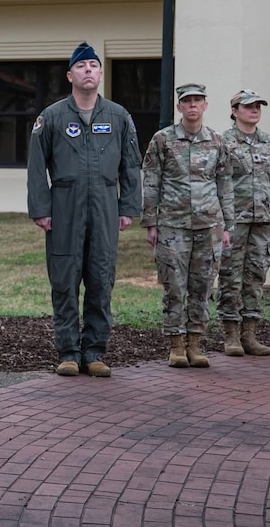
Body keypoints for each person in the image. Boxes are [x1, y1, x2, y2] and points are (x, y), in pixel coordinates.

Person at [27, 42, 142, 377]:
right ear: (70, 75)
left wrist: (128, 207)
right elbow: (37, 167)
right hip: (64, 207)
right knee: (64, 279)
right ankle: (67, 351)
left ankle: (94, 351)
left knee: (101, 278)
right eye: (81, 66)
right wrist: (41, 208)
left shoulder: (119, 117)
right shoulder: (51, 117)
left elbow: (130, 166)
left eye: (93, 65)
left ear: (101, 73)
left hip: (105, 205)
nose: (88, 70)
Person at [141, 83, 232, 369]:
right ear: (179, 107)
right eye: (187, 101)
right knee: (174, 286)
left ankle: (196, 342)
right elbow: (152, 180)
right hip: (172, 225)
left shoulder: (217, 141)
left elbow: (224, 183)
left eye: (198, 100)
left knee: (203, 286)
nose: (193, 105)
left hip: (209, 225)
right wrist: (150, 222)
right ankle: (176, 345)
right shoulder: (162, 140)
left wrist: (227, 225)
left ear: (205, 105)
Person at [218, 91, 270, 357]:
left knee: (256, 274)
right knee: (231, 275)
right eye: (248, 106)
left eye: (258, 106)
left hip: (263, 219)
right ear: (234, 110)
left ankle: (250, 333)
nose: (254, 110)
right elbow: (217, 182)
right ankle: (231, 334)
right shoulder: (222, 142)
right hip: (234, 220)